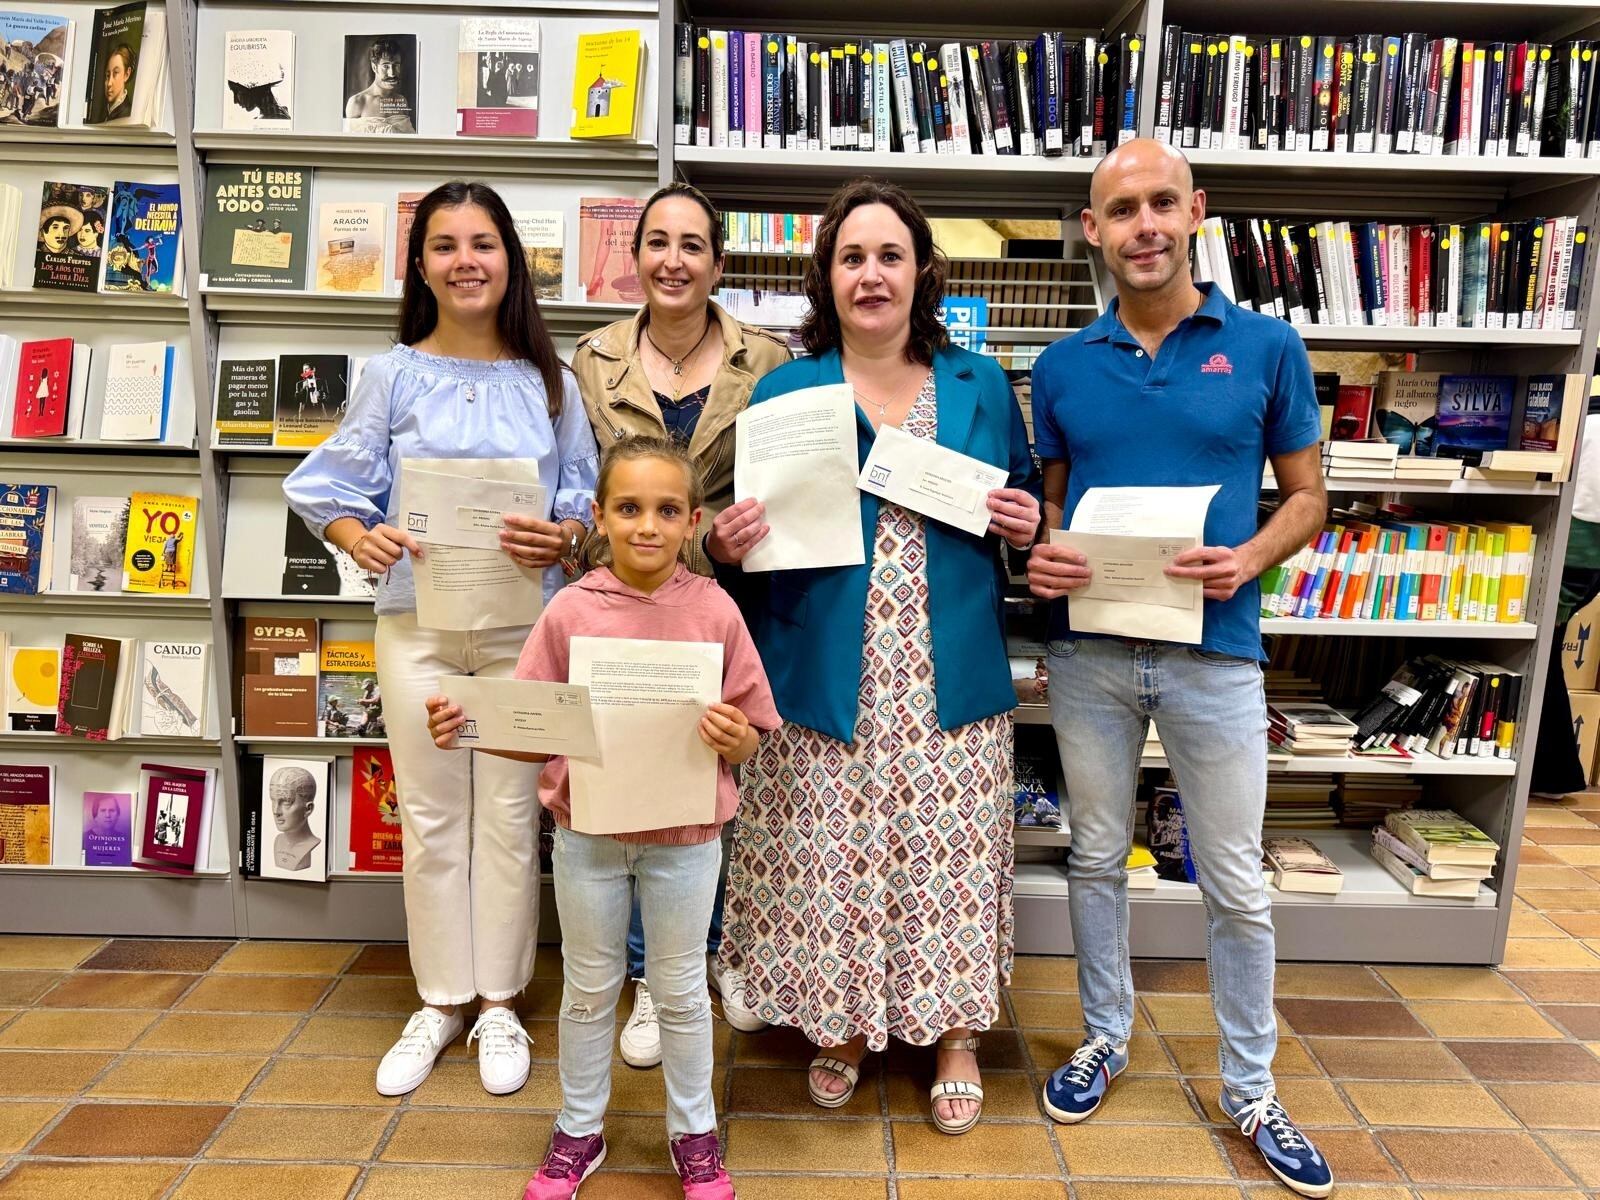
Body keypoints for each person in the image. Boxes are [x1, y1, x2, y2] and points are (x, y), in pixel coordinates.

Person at [1024, 139, 1333, 1199]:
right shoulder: (1061, 367)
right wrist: (1045, 548)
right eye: (1121, 210)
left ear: (1195, 211)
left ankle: (1251, 1087)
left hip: (1216, 654)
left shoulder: (1264, 346)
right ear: (1093, 229)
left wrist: (1249, 557)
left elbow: (1307, 495)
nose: (1143, 225)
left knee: (1235, 880)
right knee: (1097, 857)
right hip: (1092, 654)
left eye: (1161, 203)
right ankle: (1103, 1038)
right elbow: (1051, 510)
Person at [712, 178, 1041, 1135]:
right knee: (833, 854)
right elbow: (754, 549)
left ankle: (954, 1035)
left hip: (948, 669)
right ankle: (843, 1024)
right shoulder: (784, 389)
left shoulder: (980, 385)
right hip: (824, 664)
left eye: (889, 255)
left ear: (922, 269)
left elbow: (1016, 506)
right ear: (827, 275)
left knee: (947, 854)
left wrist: (1023, 519)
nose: (871, 274)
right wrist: (728, 544)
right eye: (851, 257)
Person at [284, 180, 598, 1099]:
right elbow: (325, 488)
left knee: (509, 817)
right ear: (421, 265)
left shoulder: (554, 382)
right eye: (446, 245)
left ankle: (499, 1002)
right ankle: (440, 999)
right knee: (429, 820)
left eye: (485, 243)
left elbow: (579, 496)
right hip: (415, 627)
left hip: (522, 631)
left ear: (512, 260)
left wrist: (565, 536)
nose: (467, 260)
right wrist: (359, 535)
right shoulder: (392, 375)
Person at [426, 434, 779, 1200]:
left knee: (682, 991)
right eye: (628, 508)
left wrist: (735, 738)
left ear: (692, 522)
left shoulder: (716, 612)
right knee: (589, 989)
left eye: (666, 510)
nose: (646, 526)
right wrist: (471, 725)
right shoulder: (570, 612)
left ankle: (695, 1135)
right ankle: (579, 1129)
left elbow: (754, 734)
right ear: (598, 515)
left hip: (686, 841)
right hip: (587, 838)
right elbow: (529, 732)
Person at [572, 181, 790, 1068]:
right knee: (636, 793)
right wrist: (584, 536)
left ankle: (711, 958)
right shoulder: (589, 360)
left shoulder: (769, 359)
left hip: (725, 606)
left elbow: (788, 485)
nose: (673, 260)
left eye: (692, 244)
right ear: (637, 258)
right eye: (657, 242)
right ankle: (649, 984)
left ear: (718, 263)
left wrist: (747, 533)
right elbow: (579, 489)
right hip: (625, 609)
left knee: (719, 792)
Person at [344, 37, 415, 134]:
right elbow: (349, 144)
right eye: (386, 66)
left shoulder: (401, 101)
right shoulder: (357, 102)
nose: (392, 73)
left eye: (396, 65)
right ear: (374, 67)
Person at [268, 764, 322, 871]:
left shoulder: (310, 844)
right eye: (273, 800)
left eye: (286, 802)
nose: (275, 811)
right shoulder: (278, 840)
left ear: (308, 809)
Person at [101, 43, 133, 121]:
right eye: (108, 75)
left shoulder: (127, 114)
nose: (109, 84)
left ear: (126, 74)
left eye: (116, 73)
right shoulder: (106, 113)